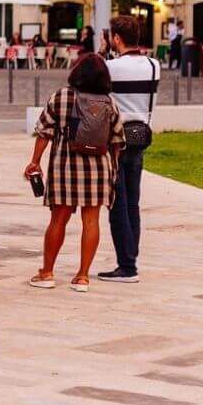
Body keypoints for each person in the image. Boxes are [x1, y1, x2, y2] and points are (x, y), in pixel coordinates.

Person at [25, 53, 124, 291]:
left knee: (58, 219)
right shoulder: (109, 103)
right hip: (99, 168)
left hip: (64, 167)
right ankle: (82, 276)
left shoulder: (60, 97)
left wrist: (35, 162)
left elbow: (44, 133)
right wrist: (114, 169)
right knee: (91, 221)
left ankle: (47, 273)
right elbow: (117, 140)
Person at [99, 14, 159, 285]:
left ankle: (127, 265)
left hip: (116, 139)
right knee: (132, 202)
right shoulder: (153, 65)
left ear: (116, 38)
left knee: (117, 204)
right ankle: (131, 257)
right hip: (141, 135)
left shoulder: (109, 67)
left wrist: (101, 53)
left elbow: (85, 80)